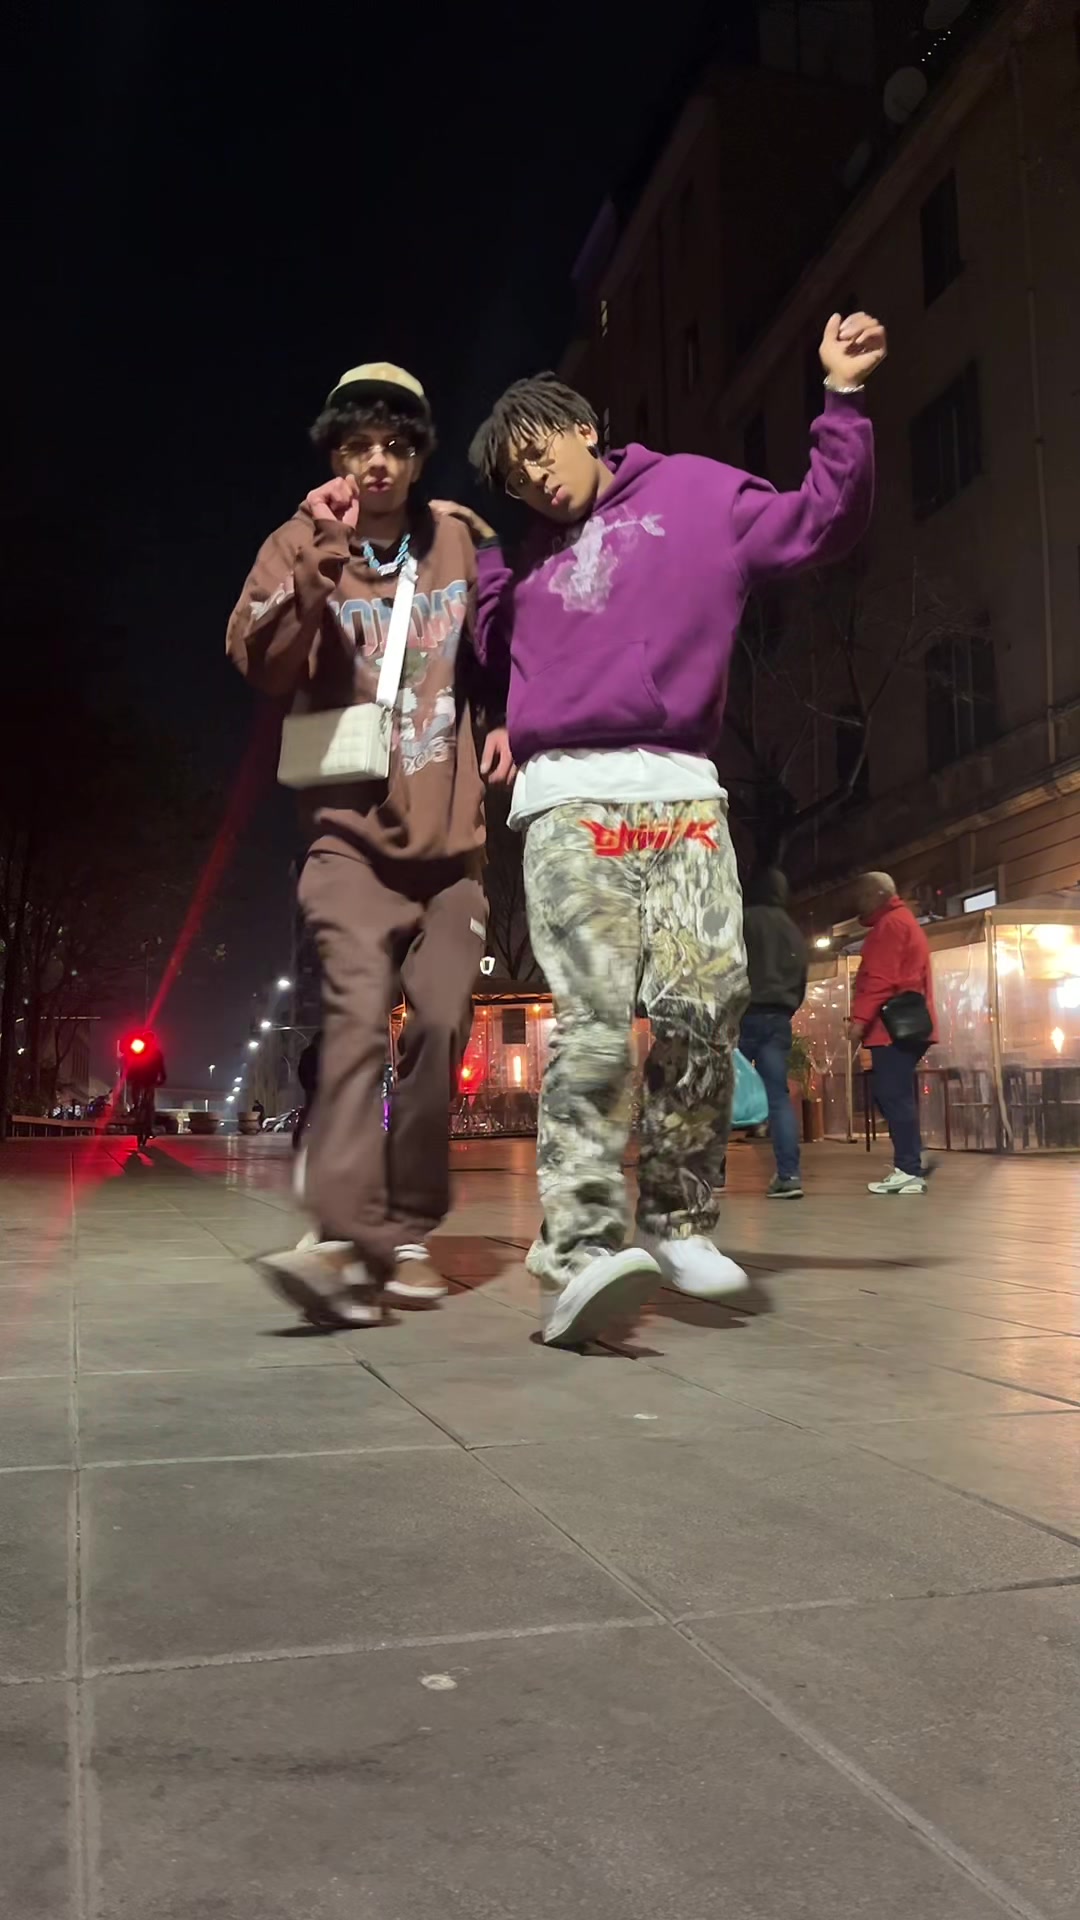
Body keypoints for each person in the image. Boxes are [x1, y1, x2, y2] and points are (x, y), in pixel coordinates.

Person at [437, 311, 885, 1347]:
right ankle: (582, 1248)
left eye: (539, 452)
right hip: (569, 800)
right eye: (514, 476)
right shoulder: (526, 557)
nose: (535, 480)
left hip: (681, 792)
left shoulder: (694, 493)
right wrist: (487, 566)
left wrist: (843, 399)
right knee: (594, 1015)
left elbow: (821, 521)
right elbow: (488, 661)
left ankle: (679, 1221)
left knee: (706, 1003)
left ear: (583, 427)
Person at [227, 362, 512, 1327]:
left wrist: (513, 721)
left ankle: (409, 1225)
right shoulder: (299, 540)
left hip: (449, 848)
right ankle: (349, 1232)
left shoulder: (460, 541)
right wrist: (321, 551)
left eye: (395, 446)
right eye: (358, 447)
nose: (377, 463)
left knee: (440, 1025)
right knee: (353, 1017)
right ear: (335, 456)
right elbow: (260, 661)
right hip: (346, 842)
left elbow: (509, 642)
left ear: (419, 454)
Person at [849, 871, 936, 1195]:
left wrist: (859, 1020)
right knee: (891, 1094)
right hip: (904, 1025)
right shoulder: (900, 921)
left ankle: (909, 1169)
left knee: (891, 1094)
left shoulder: (890, 925)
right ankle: (913, 1157)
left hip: (892, 1028)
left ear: (878, 895)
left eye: (861, 894)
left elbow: (880, 979)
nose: (857, 901)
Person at [740, 868, 807, 1198]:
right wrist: (787, 1007)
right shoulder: (792, 929)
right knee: (778, 1097)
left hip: (741, 1015)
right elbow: (801, 976)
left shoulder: (742, 921)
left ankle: (713, 1175)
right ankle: (788, 1175)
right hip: (778, 1017)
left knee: (724, 1092)